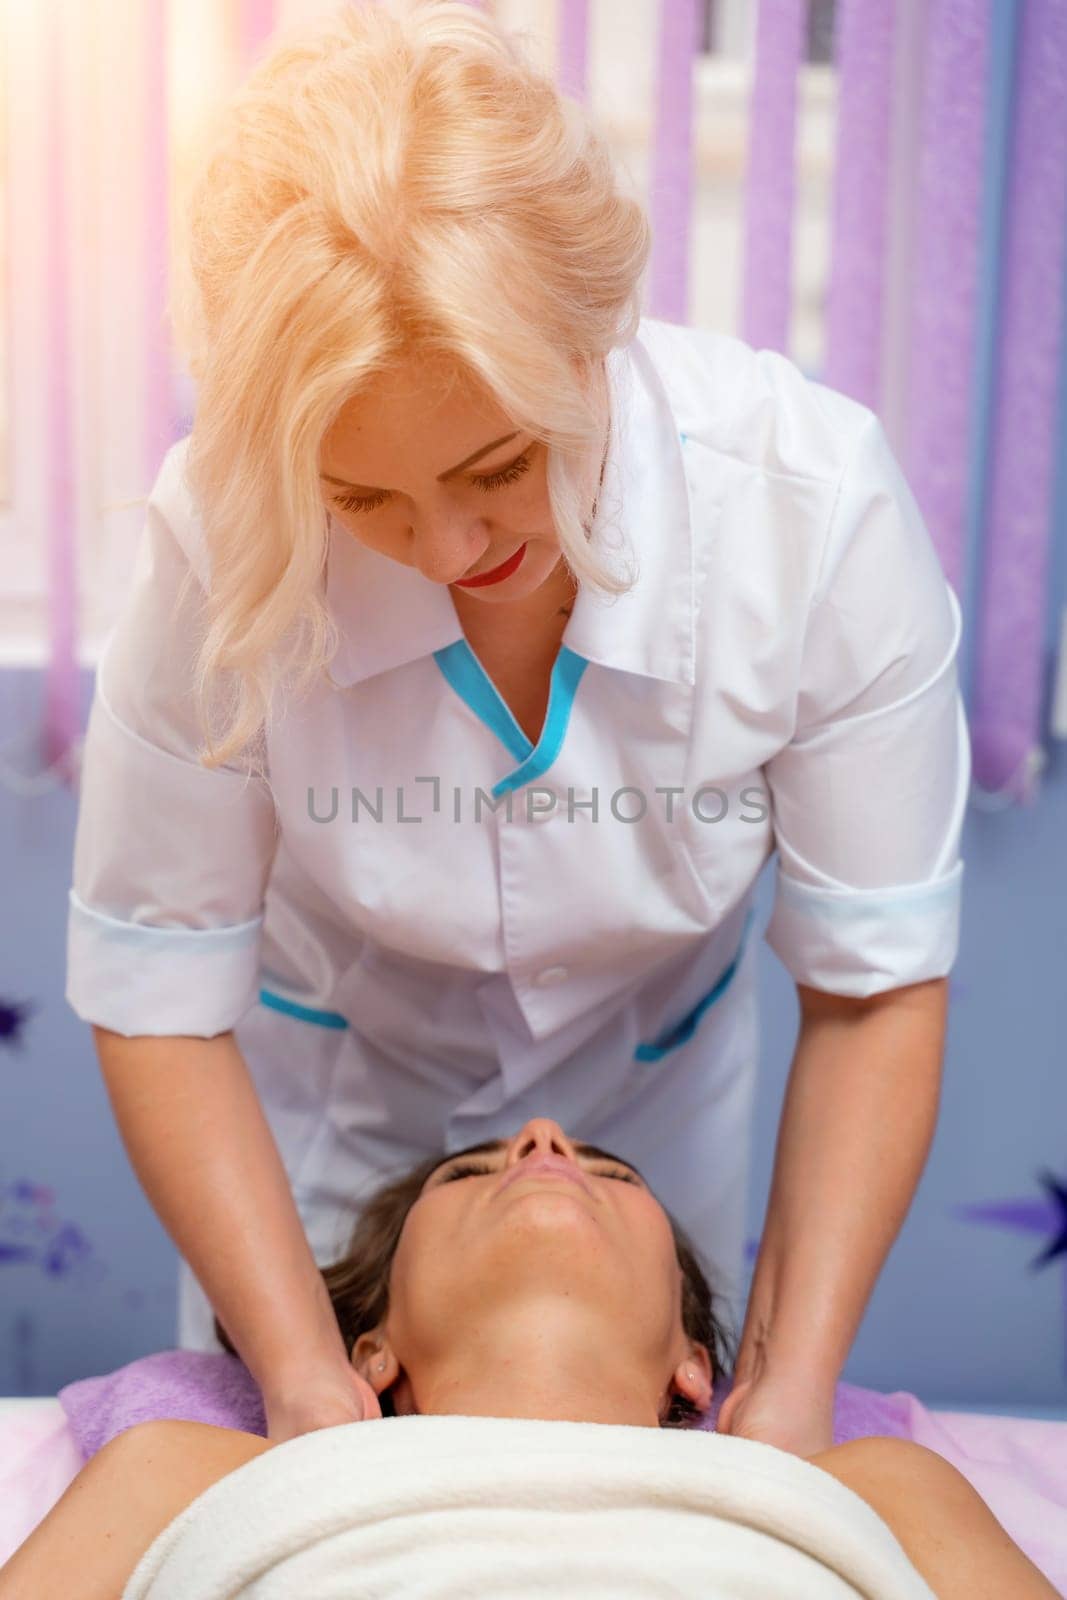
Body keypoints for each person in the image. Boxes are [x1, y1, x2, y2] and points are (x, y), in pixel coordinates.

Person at [65, 0, 970, 1457]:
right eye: (363, 500)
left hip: (651, 1119)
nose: (444, 542)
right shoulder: (221, 535)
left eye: (498, 464)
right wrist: (301, 1378)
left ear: (588, 332)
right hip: (328, 1121)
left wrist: (791, 1392)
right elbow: (157, 987)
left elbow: (872, 986)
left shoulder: (807, 507)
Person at [0, 1120, 1055, 1598]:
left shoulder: (869, 1483)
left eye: (607, 1168)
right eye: (466, 1172)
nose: (542, 1138)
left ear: (696, 1367)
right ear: (368, 1354)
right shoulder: (185, 1469)